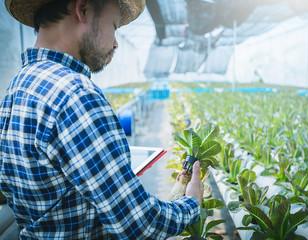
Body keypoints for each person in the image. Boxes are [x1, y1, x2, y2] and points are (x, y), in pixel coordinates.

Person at [0, 0, 203, 239]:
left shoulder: (18, 85)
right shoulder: (76, 94)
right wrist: (191, 203)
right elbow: (138, 225)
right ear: (83, 9)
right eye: (114, 26)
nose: (116, 42)